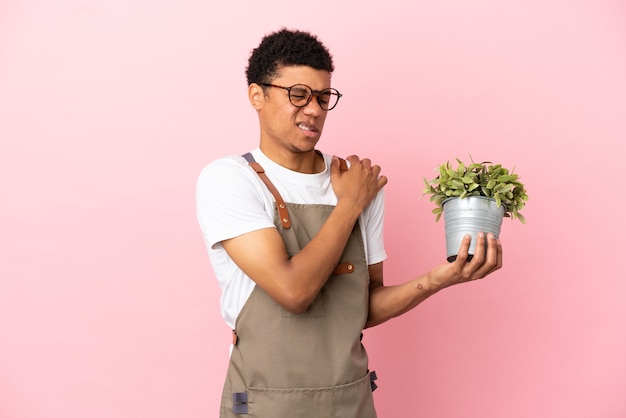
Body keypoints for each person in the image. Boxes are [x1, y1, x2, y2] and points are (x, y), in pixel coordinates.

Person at [196, 28, 502, 418]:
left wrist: (441, 277)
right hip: (264, 403)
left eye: (324, 97)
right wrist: (350, 204)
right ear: (257, 95)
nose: (314, 110)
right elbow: (293, 291)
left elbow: (362, 307)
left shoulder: (358, 181)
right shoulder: (228, 179)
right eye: (298, 94)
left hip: (351, 402)